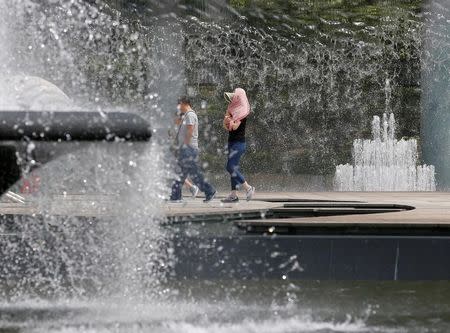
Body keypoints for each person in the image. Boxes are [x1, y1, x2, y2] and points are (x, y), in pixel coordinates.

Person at [170, 96, 216, 202]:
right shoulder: (186, 115)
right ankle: (175, 196)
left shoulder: (190, 115)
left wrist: (185, 145)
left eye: (179, 104)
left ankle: (210, 191)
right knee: (179, 173)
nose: (178, 107)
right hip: (185, 148)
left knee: (195, 175)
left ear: (183, 103)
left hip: (189, 149)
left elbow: (190, 131)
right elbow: (176, 123)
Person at [221, 88, 255, 203]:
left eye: (233, 97)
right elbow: (225, 126)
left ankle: (248, 188)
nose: (231, 100)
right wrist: (227, 121)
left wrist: (229, 121)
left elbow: (234, 127)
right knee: (233, 168)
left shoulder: (242, 112)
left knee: (230, 167)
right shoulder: (231, 108)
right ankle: (234, 195)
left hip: (239, 143)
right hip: (231, 142)